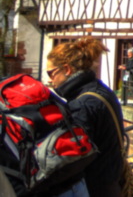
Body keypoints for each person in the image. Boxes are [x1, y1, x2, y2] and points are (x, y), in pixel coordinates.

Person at [47, 38, 124, 196]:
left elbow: (75, 159)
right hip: (111, 183)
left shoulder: (82, 105)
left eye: (51, 73)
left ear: (67, 69)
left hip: (95, 188)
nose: (49, 79)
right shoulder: (100, 90)